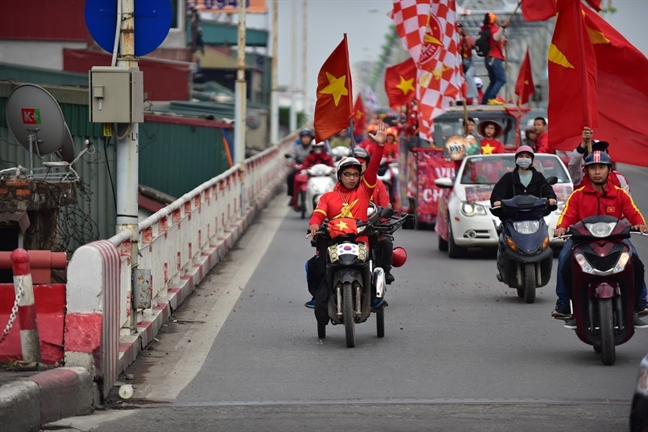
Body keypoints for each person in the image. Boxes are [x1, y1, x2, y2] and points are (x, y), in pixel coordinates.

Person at [552, 151, 648, 328]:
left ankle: (640, 302)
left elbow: (633, 213)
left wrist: (641, 224)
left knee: (635, 260)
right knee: (565, 261)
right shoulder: (578, 195)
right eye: (593, 168)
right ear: (586, 171)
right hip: (582, 241)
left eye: (601, 167)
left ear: (609, 170)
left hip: (616, 240)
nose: (597, 172)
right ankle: (564, 304)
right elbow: (567, 215)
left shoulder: (620, 194)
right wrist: (561, 227)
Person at [304, 122, 387, 309]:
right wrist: (314, 224)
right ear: (340, 176)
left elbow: (373, 168)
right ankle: (319, 296)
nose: (352, 178)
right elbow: (318, 213)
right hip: (335, 241)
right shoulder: (328, 196)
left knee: (372, 265)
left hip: (360, 240)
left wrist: (380, 146)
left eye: (355, 174)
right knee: (316, 264)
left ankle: (374, 296)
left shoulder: (365, 190)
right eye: (347, 174)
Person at [491, 146, 558, 279]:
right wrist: (498, 201)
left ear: (532, 160)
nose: (524, 160)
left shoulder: (539, 177)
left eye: (527, 157)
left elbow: (548, 192)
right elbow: (496, 194)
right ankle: (503, 266)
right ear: (516, 160)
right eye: (521, 157)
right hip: (513, 218)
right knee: (503, 240)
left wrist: (551, 199)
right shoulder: (508, 178)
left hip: (535, 218)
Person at [568, 128, 631, 194]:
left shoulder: (619, 178)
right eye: (592, 168)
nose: (597, 172)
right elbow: (573, 165)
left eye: (601, 151)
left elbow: (627, 201)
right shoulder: (580, 176)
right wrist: (583, 145)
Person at [480, 13, 510, 105]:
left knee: (493, 81)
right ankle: (491, 98)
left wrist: (503, 44)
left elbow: (494, 43)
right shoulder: (493, 29)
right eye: (496, 18)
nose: (498, 19)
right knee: (502, 79)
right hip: (495, 59)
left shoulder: (487, 30)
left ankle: (485, 101)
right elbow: (496, 37)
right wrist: (502, 27)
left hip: (489, 59)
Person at [286, 129, 315, 203]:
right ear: (301, 138)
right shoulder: (297, 148)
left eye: (307, 137)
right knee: (290, 177)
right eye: (304, 137)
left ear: (311, 138)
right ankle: (292, 196)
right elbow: (292, 156)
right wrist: (290, 162)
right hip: (300, 167)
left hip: (311, 168)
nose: (305, 139)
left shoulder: (314, 147)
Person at [458, 23, 478, 105]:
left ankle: (474, 98)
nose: (458, 30)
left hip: (469, 63)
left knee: (469, 75)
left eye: (459, 28)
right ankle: (457, 99)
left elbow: (470, 47)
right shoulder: (454, 39)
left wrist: (466, 36)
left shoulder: (468, 38)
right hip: (459, 63)